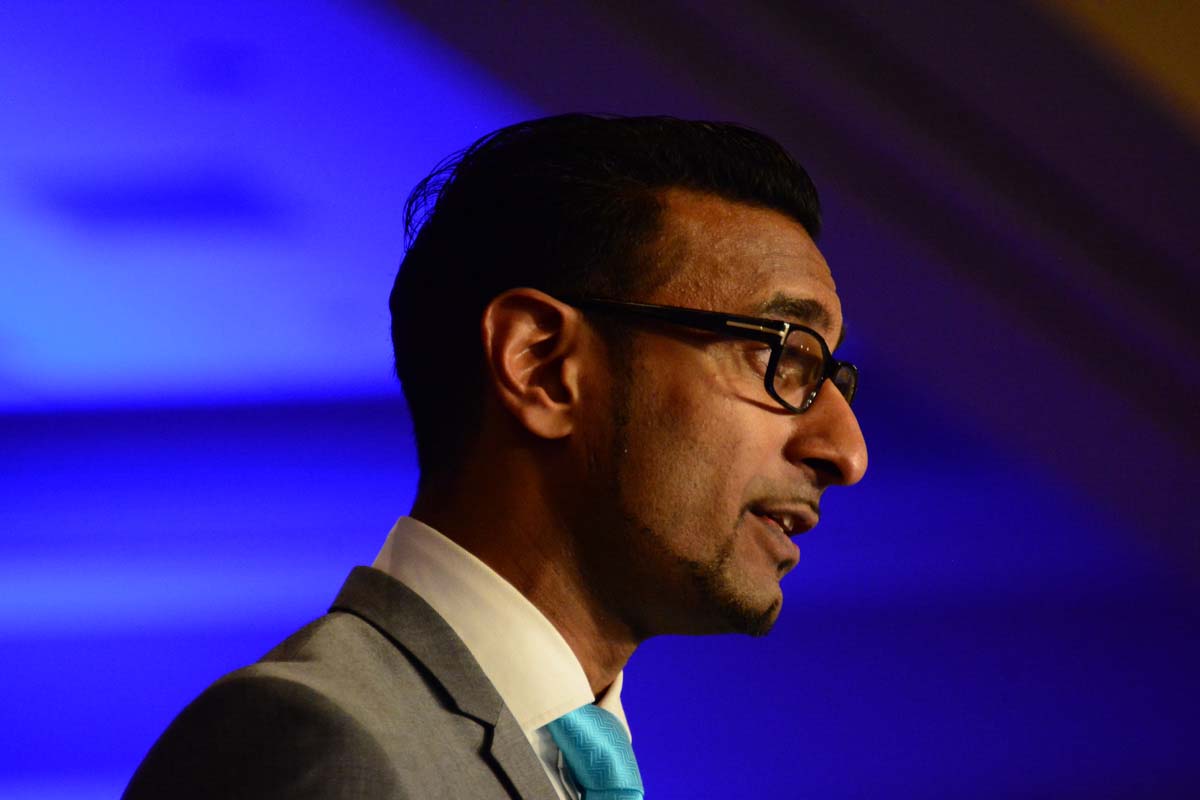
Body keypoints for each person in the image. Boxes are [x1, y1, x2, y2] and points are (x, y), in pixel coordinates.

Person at [122, 113, 868, 799]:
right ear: (541, 365)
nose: (846, 451)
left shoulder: (557, 762)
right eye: (782, 356)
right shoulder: (317, 743)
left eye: (833, 376)